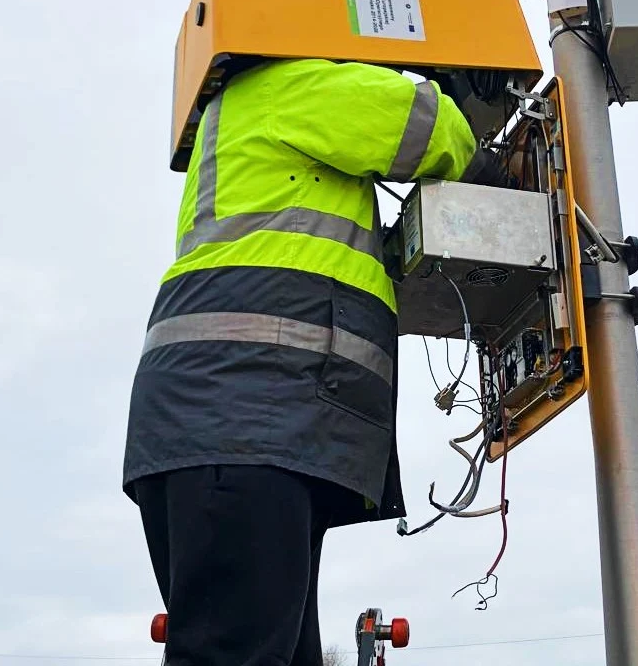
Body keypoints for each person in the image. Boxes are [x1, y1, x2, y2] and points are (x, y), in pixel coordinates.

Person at [123, 57, 509, 666]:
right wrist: (487, 157)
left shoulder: (255, 119)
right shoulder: (289, 84)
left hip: (234, 425)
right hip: (247, 419)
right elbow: (429, 125)